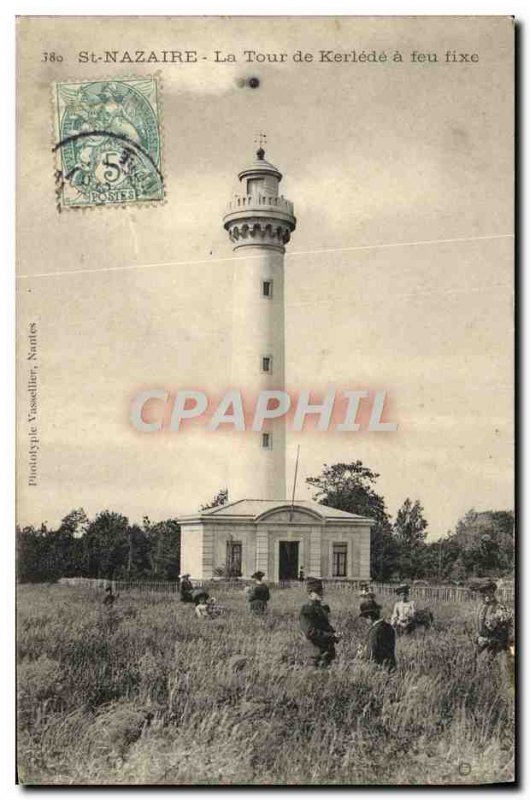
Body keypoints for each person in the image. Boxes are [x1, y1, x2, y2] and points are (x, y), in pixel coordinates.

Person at [299, 577, 341, 668]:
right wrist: (331, 636)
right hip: (315, 653)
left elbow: (324, 626)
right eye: (317, 592)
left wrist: (334, 634)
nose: (320, 594)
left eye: (321, 591)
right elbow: (310, 632)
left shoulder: (322, 608)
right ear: (310, 594)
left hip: (326, 653)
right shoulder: (307, 609)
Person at [476, 581, 513, 657]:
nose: (485, 595)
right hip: (481, 642)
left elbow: (506, 631)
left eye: (488, 592)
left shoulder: (500, 608)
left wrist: (489, 640)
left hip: (495, 646)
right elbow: (479, 627)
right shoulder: (481, 607)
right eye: (483, 592)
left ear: (492, 592)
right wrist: (478, 637)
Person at [359, 597, 396, 670]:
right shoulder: (389, 627)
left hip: (378, 668)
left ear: (369, 617)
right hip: (391, 666)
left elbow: (371, 653)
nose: (365, 621)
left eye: (365, 618)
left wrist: (362, 653)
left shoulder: (374, 631)